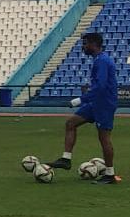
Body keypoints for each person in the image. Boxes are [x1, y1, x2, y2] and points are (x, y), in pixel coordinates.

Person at [47, 33, 119, 183]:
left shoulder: (103, 61)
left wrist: (81, 99)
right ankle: (66, 159)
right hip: (95, 103)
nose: (83, 46)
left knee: (104, 137)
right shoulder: (99, 60)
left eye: (85, 43)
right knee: (70, 123)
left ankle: (110, 174)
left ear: (93, 44)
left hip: (104, 104)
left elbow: (100, 86)